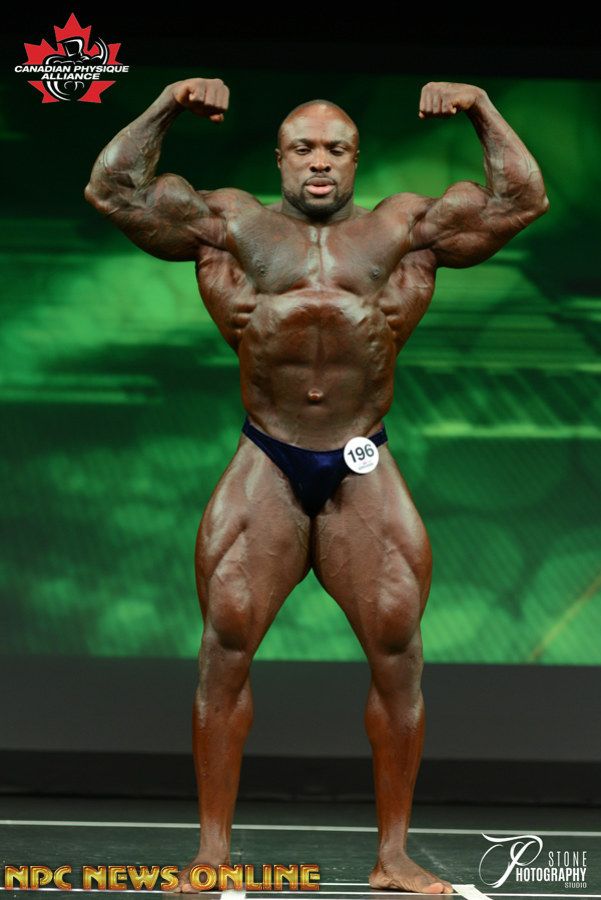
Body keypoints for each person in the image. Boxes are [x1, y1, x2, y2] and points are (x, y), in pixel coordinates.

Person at [84, 77, 549, 893]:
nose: (320, 162)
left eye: (336, 149)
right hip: (267, 456)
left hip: (361, 455)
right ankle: (211, 856)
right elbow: (112, 190)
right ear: (280, 158)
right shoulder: (232, 224)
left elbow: (521, 201)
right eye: (304, 148)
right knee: (225, 645)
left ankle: (392, 857)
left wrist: (479, 108)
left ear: (356, 160)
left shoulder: (401, 228)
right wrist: (165, 105)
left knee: (398, 650)